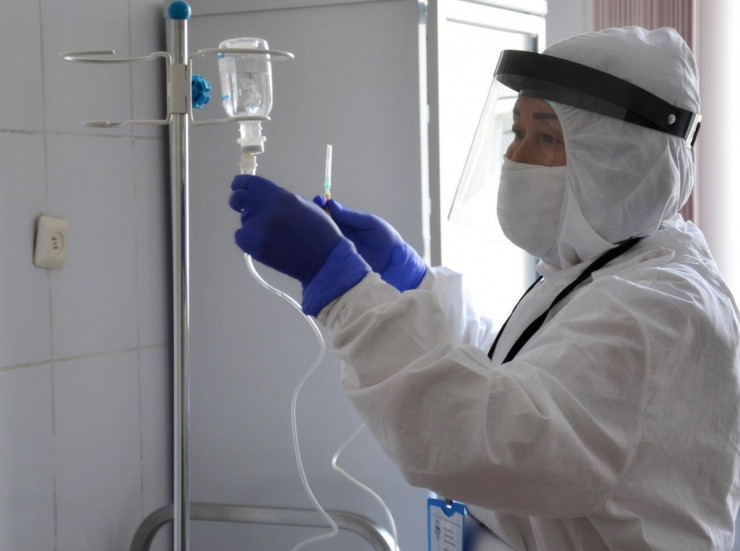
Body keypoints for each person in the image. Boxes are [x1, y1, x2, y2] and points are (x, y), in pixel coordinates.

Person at [228, 27, 740, 550]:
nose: (515, 156)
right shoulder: (607, 263)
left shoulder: (659, 309)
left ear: (624, 162)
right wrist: (411, 282)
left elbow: (491, 438)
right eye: (515, 131)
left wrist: (342, 289)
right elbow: (519, 379)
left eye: (547, 138)